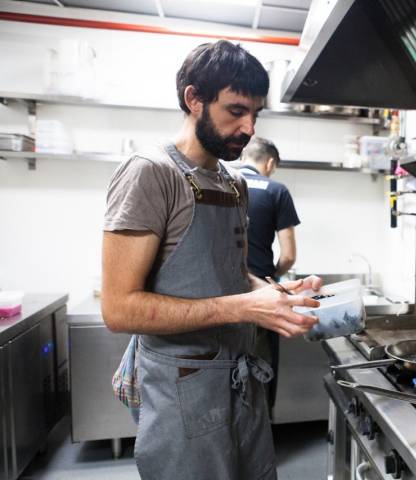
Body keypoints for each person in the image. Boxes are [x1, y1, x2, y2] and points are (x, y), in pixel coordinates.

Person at [101, 40, 321, 480]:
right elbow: (118, 308)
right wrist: (243, 308)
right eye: (236, 110)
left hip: (241, 386)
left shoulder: (233, 183)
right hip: (182, 391)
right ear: (194, 99)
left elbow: (231, 273)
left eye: (255, 115)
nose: (248, 128)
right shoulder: (151, 173)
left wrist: (276, 294)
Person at [225, 137, 300, 414]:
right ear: (270, 163)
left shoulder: (221, 181)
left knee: (225, 369)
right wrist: (273, 274)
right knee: (260, 367)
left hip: (221, 295)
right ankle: (260, 433)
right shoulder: (276, 190)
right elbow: (289, 255)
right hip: (262, 295)